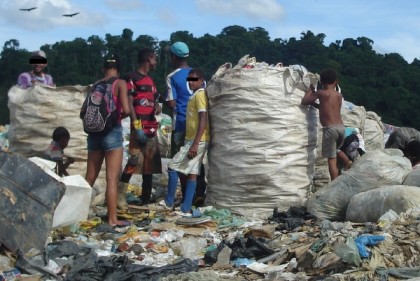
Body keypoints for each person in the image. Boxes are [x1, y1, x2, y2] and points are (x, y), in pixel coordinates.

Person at [84, 54, 131, 227]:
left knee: (89, 178)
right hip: (111, 132)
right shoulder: (120, 83)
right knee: (112, 178)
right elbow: (126, 109)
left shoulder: (95, 85)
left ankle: (76, 214)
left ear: (104, 68)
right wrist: (117, 116)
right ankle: (112, 219)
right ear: (118, 69)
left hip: (94, 133)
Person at [117, 48, 162, 210]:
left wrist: (156, 107)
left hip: (151, 129)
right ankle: (120, 196)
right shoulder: (132, 78)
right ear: (149, 59)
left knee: (149, 167)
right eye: (154, 59)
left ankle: (145, 200)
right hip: (140, 130)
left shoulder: (150, 81)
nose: (156, 62)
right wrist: (137, 128)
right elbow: (130, 104)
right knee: (133, 162)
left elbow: (153, 102)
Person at [160, 68, 210, 214]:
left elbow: (203, 117)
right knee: (193, 172)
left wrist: (195, 143)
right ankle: (186, 207)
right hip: (198, 139)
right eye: (189, 80)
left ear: (201, 81)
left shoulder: (200, 95)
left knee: (172, 166)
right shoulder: (195, 95)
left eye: (194, 80)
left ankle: (169, 202)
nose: (191, 83)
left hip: (196, 140)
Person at [166, 41, 207, 207]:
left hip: (182, 125)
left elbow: (172, 103)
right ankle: (198, 195)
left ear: (174, 57)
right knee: (195, 164)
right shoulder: (195, 74)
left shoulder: (172, 76)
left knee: (179, 164)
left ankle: (182, 199)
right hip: (199, 128)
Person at [301, 68, 345, 180]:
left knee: (331, 160)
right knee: (335, 151)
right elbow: (329, 109)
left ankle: (335, 184)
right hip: (341, 128)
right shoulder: (339, 96)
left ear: (321, 82)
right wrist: (317, 106)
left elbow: (305, 101)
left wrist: (311, 89)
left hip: (330, 129)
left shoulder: (321, 93)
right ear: (336, 82)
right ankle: (347, 163)